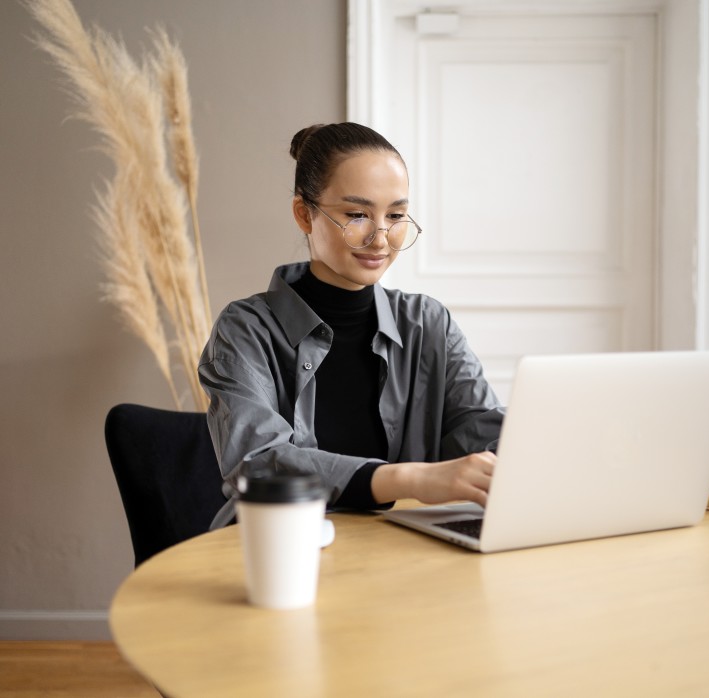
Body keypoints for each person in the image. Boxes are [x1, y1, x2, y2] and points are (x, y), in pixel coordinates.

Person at [198, 122, 503, 529]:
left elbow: (481, 430)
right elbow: (258, 462)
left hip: (401, 553)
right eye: (357, 214)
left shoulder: (429, 324)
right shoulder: (245, 330)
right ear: (304, 214)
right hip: (281, 553)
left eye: (396, 215)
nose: (380, 239)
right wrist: (410, 478)